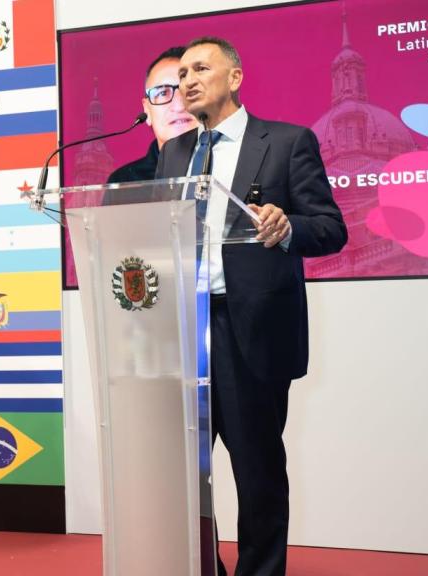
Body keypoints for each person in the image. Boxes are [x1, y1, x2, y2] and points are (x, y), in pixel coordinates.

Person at [155, 37, 347, 575]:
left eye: (200, 69)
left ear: (235, 77)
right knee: (183, 474)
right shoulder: (174, 151)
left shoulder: (286, 143)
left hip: (250, 331)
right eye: (181, 74)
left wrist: (288, 228)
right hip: (185, 330)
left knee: (256, 471)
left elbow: (331, 229)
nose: (187, 81)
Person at [107, 46, 197, 184]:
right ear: (147, 110)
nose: (179, 106)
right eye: (162, 93)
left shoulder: (232, 169)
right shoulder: (123, 182)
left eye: (189, 91)